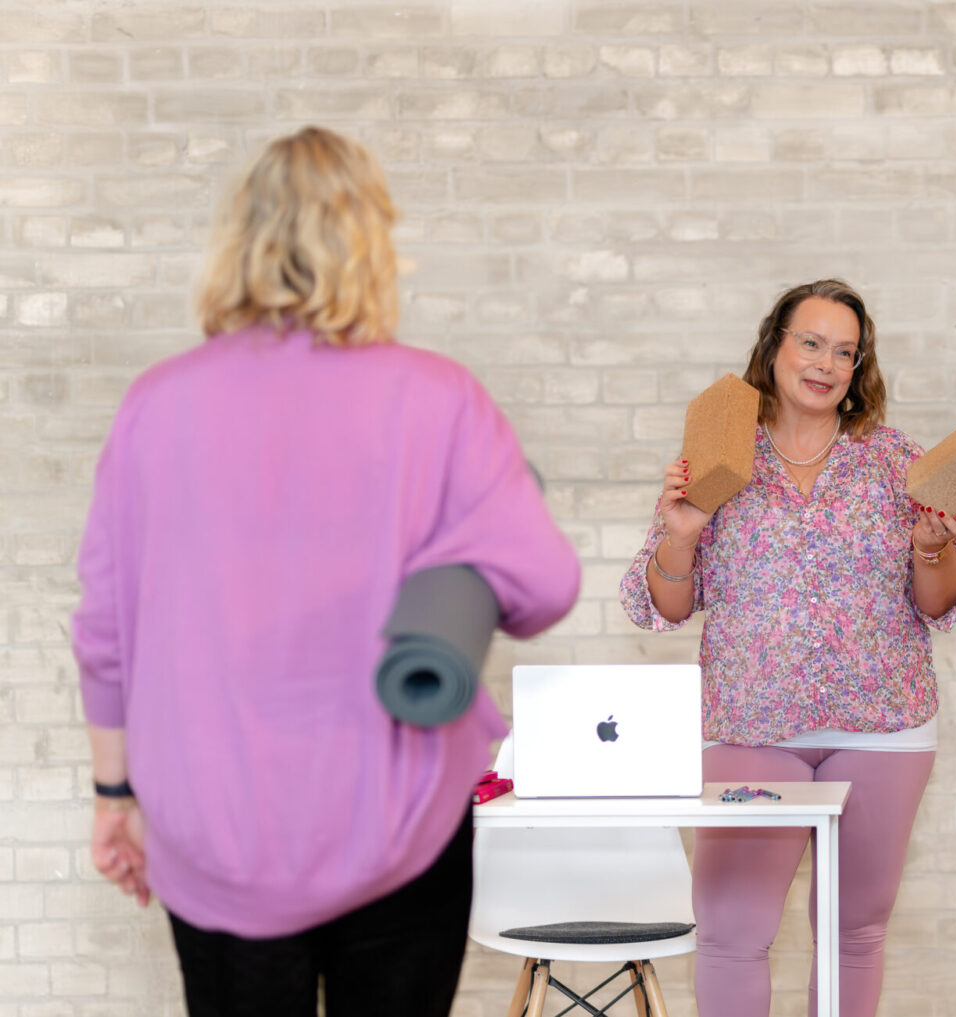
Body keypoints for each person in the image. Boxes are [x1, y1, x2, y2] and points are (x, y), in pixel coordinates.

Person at [72, 126, 580, 1017]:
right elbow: (546, 587)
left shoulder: (156, 405)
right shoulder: (441, 397)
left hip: (214, 825)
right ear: (374, 243)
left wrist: (115, 795)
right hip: (401, 822)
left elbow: (106, 632)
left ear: (239, 240)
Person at [618, 279, 956, 1017]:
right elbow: (662, 605)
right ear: (774, 347)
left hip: (883, 730)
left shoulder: (894, 462)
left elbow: (944, 600)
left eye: (845, 352)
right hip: (753, 728)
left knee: (853, 931)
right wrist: (681, 534)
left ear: (859, 369)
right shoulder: (718, 458)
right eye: (811, 342)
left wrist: (928, 548)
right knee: (731, 930)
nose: (826, 363)